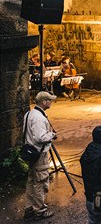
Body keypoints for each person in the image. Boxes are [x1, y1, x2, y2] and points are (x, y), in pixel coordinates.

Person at [23, 91, 58, 221]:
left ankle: (29, 208)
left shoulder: (29, 114)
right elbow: (40, 137)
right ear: (44, 102)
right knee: (40, 182)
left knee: (31, 181)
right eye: (50, 100)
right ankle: (40, 211)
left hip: (31, 151)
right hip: (39, 153)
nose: (51, 102)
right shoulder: (39, 118)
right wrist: (52, 135)